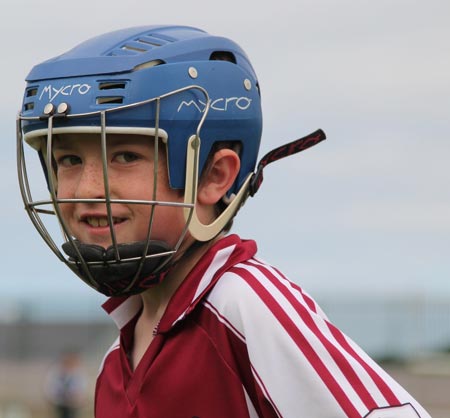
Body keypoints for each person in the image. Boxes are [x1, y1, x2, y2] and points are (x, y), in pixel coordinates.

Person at [17, 25, 431, 418]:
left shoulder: (246, 305)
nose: (87, 189)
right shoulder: (114, 363)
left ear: (216, 176)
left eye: (126, 156)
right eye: (68, 160)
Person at [44, 350, 87, 418]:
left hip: (73, 405)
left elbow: (81, 389)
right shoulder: (55, 372)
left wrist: (76, 398)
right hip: (60, 404)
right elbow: (51, 388)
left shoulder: (78, 372)